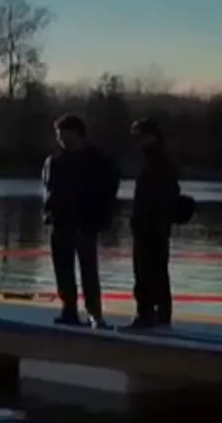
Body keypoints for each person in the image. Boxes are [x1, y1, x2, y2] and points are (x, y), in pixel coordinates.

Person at [42, 114, 120, 329]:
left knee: (88, 271)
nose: (60, 139)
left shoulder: (97, 161)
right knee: (63, 270)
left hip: (85, 223)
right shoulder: (54, 162)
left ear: (76, 133)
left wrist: (100, 218)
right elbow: (48, 190)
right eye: (58, 135)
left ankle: (95, 314)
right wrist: (48, 214)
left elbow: (108, 191)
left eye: (64, 134)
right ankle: (69, 310)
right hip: (60, 222)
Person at [127, 118, 180, 329]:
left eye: (139, 136)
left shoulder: (158, 163)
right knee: (155, 271)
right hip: (151, 225)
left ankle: (147, 314)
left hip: (151, 226)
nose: (136, 141)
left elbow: (162, 196)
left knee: (147, 271)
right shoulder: (153, 160)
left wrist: (148, 218)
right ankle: (159, 314)